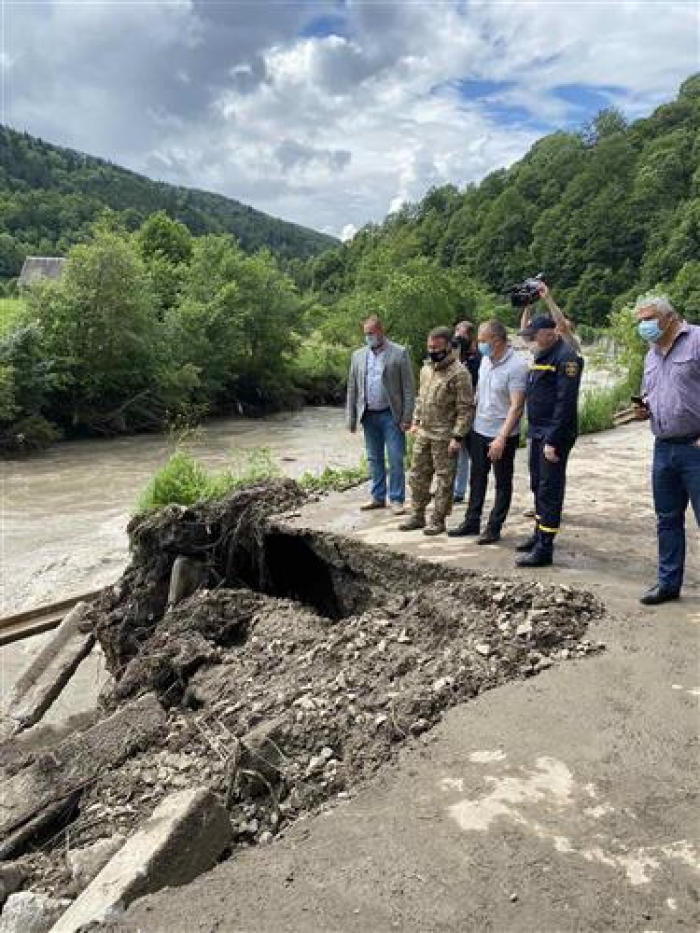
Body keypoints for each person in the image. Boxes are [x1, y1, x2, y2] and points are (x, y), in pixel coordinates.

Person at [632, 295, 700, 605]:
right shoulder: (651, 354)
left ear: (669, 318)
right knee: (667, 519)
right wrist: (645, 409)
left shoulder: (697, 341)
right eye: (640, 321)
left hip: (695, 447)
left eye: (647, 319)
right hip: (663, 447)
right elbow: (653, 393)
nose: (643, 326)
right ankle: (668, 583)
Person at [448, 320, 528, 545]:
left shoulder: (516, 366)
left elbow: (517, 406)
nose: (479, 344)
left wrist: (501, 438)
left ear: (496, 339)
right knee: (477, 478)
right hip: (479, 429)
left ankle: (494, 527)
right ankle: (472, 521)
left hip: (502, 434)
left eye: (483, 340)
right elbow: (478, 394)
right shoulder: (485, 360)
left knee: (502, 482)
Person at [516, 315, 583, 567]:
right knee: (538, 485)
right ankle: (538, 534)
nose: (530, 340)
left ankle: (545, 548)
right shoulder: (542, 355)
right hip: (537, 431)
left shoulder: (566, 357)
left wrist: (552, 440)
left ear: (550, 332)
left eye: (534, 335)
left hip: (553, 435)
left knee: (550, 490)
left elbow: (564, 403)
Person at [399, 327, 474, 536]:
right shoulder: (426, 369)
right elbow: (420, 399)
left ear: (448, 346)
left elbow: (465, 408)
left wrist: (458, 437)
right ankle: (417, 515)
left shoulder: (459, 373)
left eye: (437, 347)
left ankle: (438, 519)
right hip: (423, 431)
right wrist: (415, 421)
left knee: (444, 479)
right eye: (430, 347)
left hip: (445, 435)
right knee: (417, 475)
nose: (432, 351)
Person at [346, 315, 415, 515]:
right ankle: (377, 497)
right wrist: (350, 418)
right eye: (365, 334)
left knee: (395, 458)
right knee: (374, 458)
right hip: (368, 413)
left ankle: (396, 499)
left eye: (371, 333)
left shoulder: (399, 353)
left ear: (380, 331)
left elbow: (409, 388)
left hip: (391, 414)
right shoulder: (358, 355)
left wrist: (407, 417)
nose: (368, 337)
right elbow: (352, 388)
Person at [451, 321, 481, 503]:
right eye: (456, 333)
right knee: (454, 452)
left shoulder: (477, 359)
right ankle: (455, 489)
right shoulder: (452, 356)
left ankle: (466, 490)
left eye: (461, 335)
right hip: (452, 412)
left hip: (471, 412)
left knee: (469, 453)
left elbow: (477, 385)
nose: (457, 337)